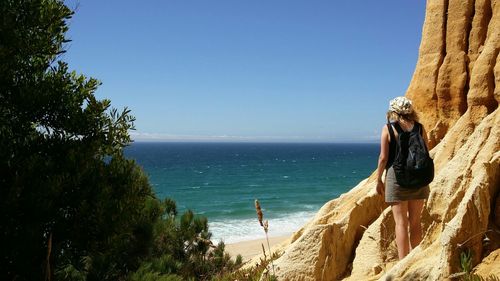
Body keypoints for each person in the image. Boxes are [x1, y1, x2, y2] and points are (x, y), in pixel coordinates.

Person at [375, 96, 430, 260]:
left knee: (401, 223)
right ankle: (415, 261)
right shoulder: (419, 128)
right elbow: (426, 152)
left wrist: (378, 180)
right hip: (418, 178)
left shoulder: (388, 129)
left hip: (396, 178)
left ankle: (402, 263)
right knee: (415, 221)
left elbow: (383, 158)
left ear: (393, 111)